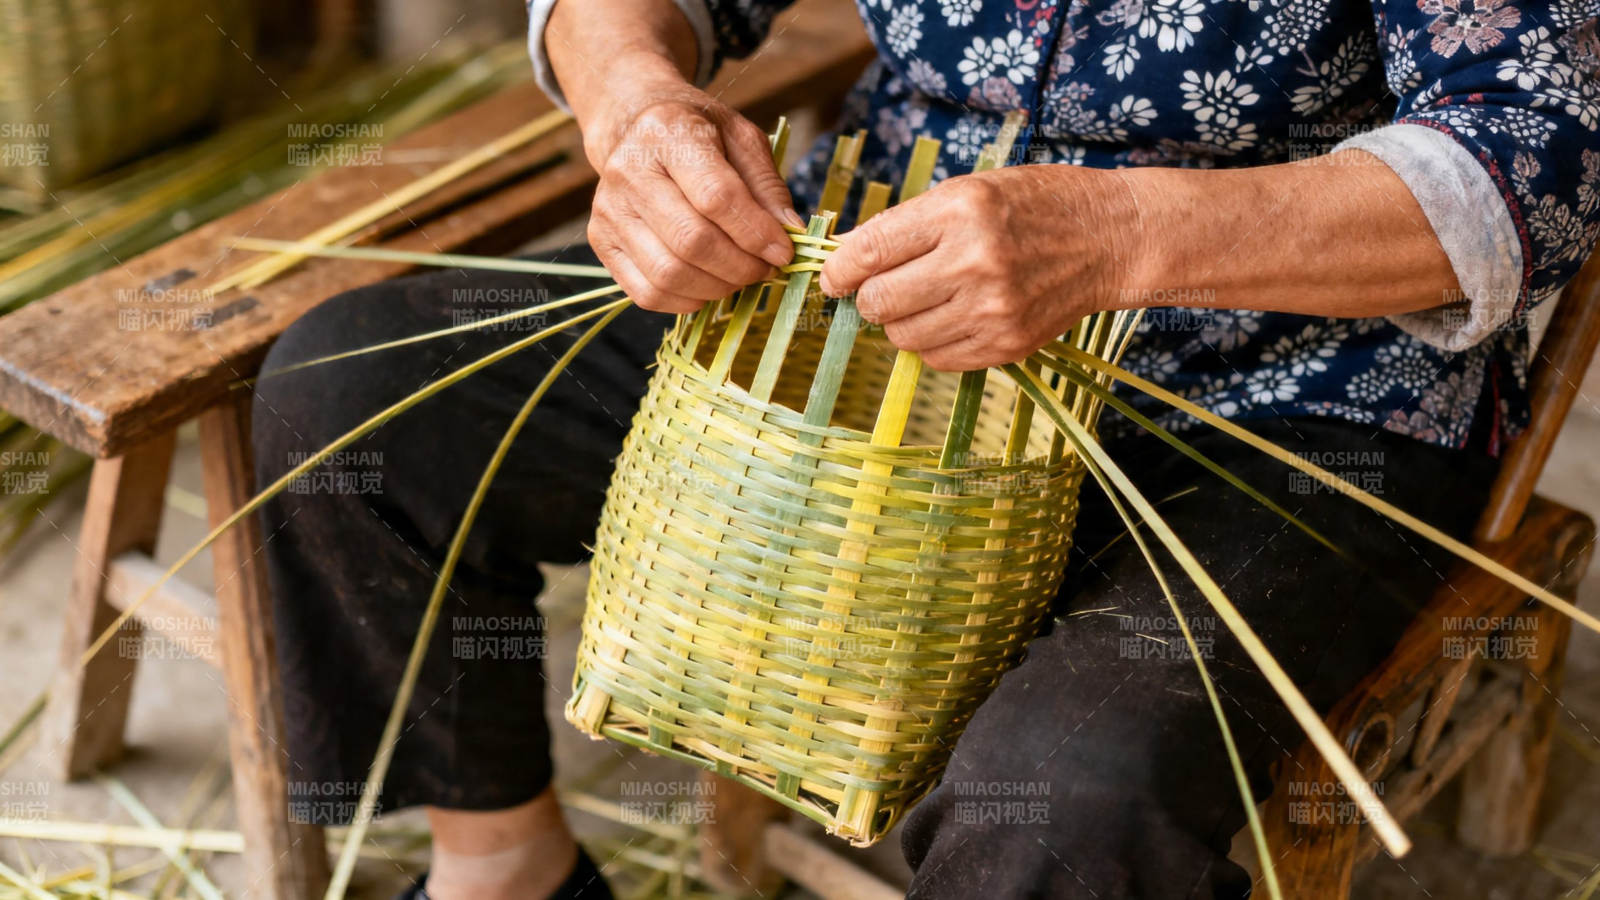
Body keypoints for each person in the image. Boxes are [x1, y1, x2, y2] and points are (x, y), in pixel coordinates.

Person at [252, 0, 1600, 896]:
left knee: (1066, 803)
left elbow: (1532, 153)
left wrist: (1122, 236)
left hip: (1278, 397)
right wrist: (638, 112)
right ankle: (508, 869)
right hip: (871, 307)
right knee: (353, 397)